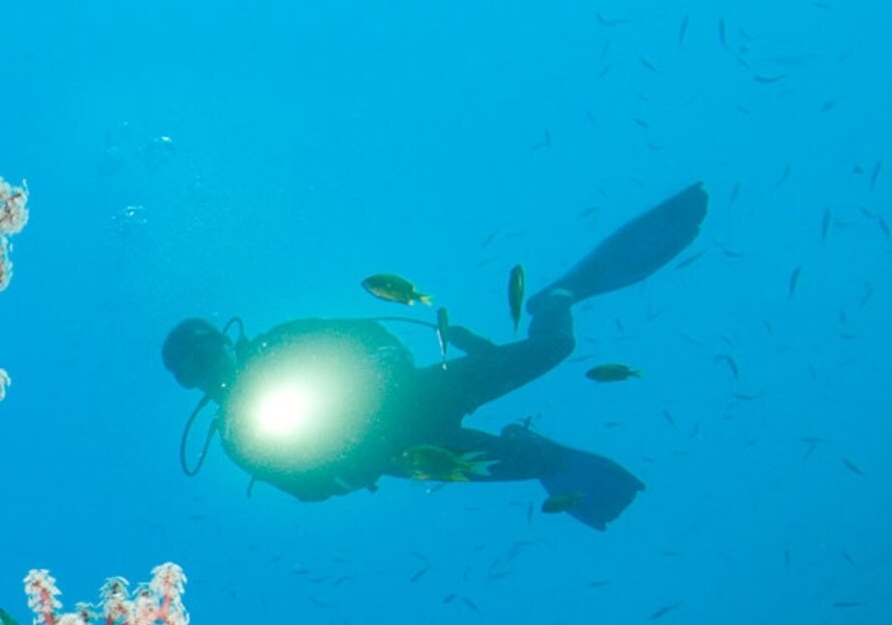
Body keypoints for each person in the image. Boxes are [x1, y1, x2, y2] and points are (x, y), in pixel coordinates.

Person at [163, 184, 708, 530]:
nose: (209, 363)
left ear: (224, 340)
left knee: (555, 347)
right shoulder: (238, 438)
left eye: (208, 347)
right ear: (189, 383)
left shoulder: (283, 343)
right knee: (535, 466)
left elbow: (369, 334)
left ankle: (556, 299)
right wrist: (350, 470)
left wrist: (387, 368)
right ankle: (532, 445)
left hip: (421, 392)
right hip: (409, 457)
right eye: (194, 366)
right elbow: (308, 490)